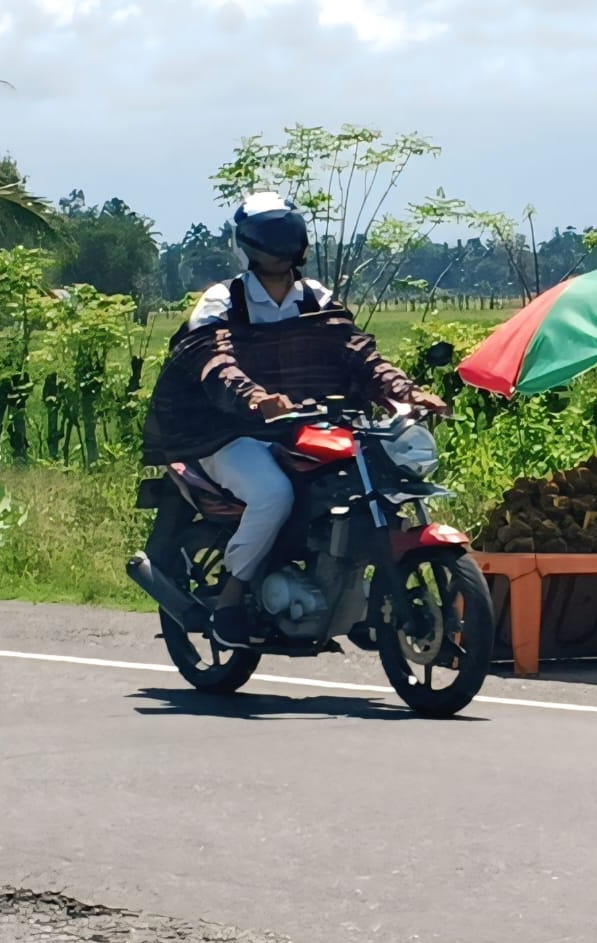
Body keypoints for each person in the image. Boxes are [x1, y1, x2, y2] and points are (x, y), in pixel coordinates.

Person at [141, 192, 448, 648]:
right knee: (272, 492)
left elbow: (360, 356)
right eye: (272, 236)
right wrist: (255, 397)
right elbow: (213, 361)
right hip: (227, 434)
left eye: (287, 233)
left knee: (371, 486)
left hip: (305, 428)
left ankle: (361, 595)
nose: (282, 245)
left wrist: (404, 391)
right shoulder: (222, 300)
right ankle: (231, 597)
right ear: (250, 243)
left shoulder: (315, 298)